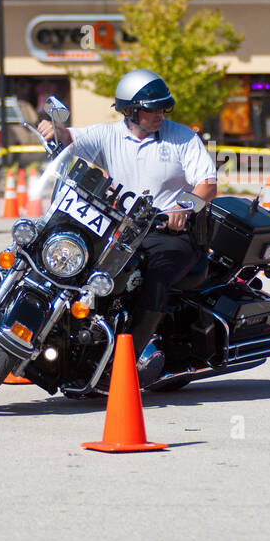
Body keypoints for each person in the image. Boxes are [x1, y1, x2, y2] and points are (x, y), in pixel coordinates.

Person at [38, 69, 218, 385]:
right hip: (120, 228)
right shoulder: (109, 136)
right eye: (152, 109)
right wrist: (54, 129)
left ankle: (127, 362)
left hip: (169, 231)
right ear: (130, 111)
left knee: (156, 273)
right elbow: (70, 139)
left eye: (164, 107)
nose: (159, 114)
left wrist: (184, 206)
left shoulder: (182, 138)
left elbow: (207, 183)